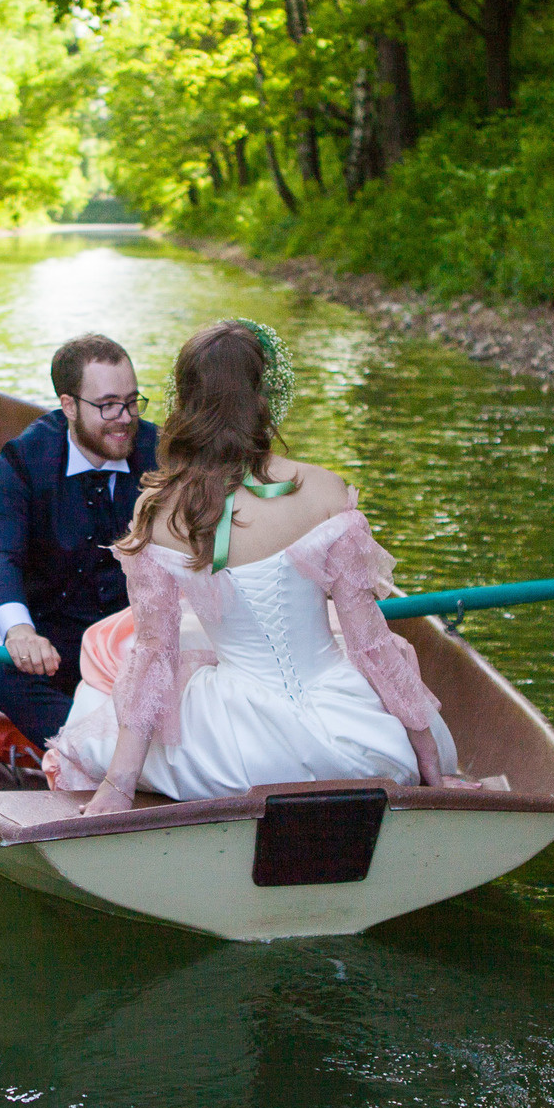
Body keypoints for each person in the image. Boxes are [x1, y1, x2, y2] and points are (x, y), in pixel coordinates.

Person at [46, 318, 476, 815]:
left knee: (116, 690)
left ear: (185, 403)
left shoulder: (158, 511)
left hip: (238, 752)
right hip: (358, 739)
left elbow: (153, 659)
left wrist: (118, 786)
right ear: (263, 397)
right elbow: (371, 643)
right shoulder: (325, 490)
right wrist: (432, 765)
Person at [0, 333, 161, 749]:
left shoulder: (161, 452)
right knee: (3, 678)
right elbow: (0, 557)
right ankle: (106, 750)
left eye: (132, 401)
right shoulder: (24, 460)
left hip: (130, 638)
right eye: (108, 405)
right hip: (52, 641)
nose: (126, 417)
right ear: (68, 406)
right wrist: (20, 631)